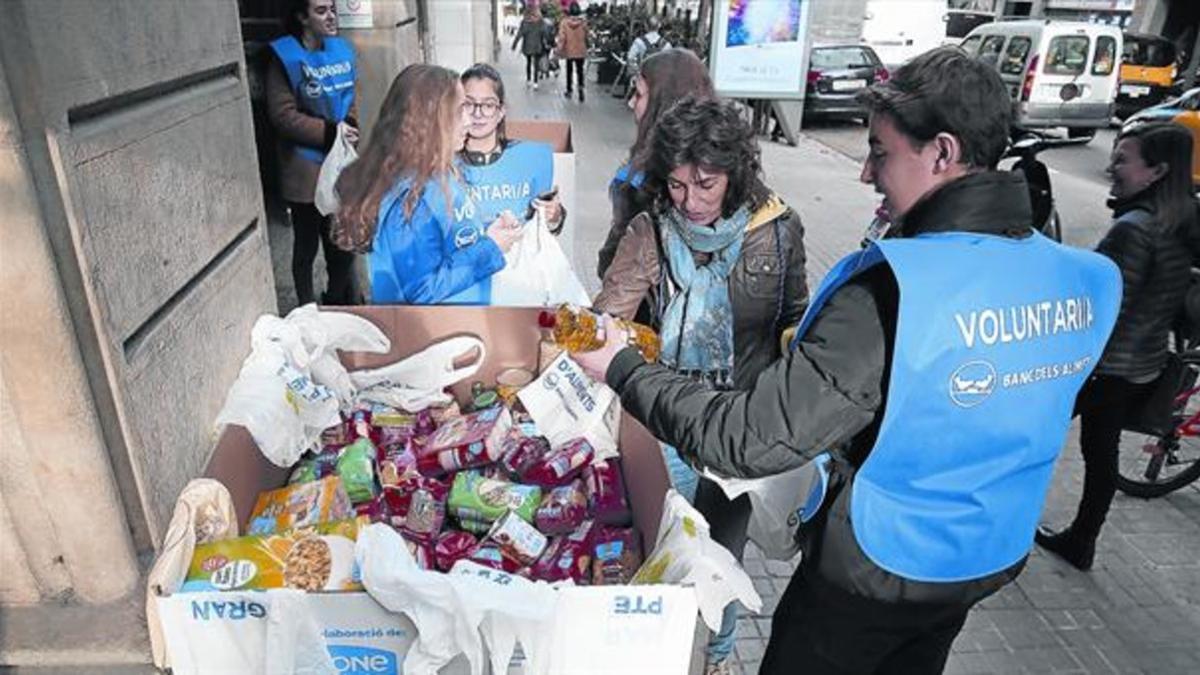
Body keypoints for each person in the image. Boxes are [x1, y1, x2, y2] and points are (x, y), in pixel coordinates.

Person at [574, 47, 1123, 674]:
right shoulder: (1090, 278)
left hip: (879, 570)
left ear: (941, 153)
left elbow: (747, 440)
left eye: (881, 152)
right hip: (987, 553)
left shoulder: (893, 289)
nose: (865, 173)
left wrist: (621, 366)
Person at [592, 96, 808, 675]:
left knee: (721, 559)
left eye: (705, 185)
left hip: (738, 430)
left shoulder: (778, 231)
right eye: (678, 185)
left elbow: (794, 321)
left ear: (735, 174)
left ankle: (712, 658)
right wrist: (608, 322)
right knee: (664, 550)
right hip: (661, 421)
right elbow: (607, 319)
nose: (689, 201)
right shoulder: (650, 229)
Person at [1036, 122, 1198, 570]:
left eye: (1123, 159)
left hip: (1107, 364)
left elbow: (1105, 306)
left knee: (1034, 430)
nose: (1111, 166)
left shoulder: (1134, 228)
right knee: (1098, 453)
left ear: (1158, 171)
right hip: (1142, 362)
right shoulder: (1182, 219)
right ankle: (1082, 540)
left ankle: (1052, 532)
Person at [332, 65, 522, 304]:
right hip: (435, 332)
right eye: (461, 110)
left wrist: (489, 229)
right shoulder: (410, 198)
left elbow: (445, 232)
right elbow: (422, 289)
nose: (469, 121)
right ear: (429, 122)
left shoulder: (437, 170)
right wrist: (490, 248)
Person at [267, 0, 361, 306]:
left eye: (332, 8)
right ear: (302, 17)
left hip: (340, 166)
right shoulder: (284, 58)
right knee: (306, 246)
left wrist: (350, 125)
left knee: (341, 247)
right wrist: (331, 131)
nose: (331, 16)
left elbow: (350, 98)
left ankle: (335, 299)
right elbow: (282, 116)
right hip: (303, 170)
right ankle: (306, 307)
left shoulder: (341, 51)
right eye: (321, 10)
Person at [597, 49, 715, 280]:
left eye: (639, 95)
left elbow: (613, 265)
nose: (631, 103)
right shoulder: (726, 168)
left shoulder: (643, 182)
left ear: (665, 101)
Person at [458, 63, 564, 232]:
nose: (478, 114)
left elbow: (547, 223)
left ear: (501, 111)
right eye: (469, 104)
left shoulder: (528, 160)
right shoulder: (442, 165)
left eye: (488, 105)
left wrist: (555, 216)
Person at [557, 3, 589, 102]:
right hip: (580, 50)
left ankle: (569, 90)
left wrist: (559, 49)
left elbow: (562, 38)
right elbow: (587, 35)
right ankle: (581, 90)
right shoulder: (583, 22)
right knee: (580, 71)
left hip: (569, 51)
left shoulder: (564, 23)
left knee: (569, 71)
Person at [512, 5, 547, 90]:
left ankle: (528, 80)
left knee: (528, 63)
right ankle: (535, 82)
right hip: (537, 46)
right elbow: (544, 33)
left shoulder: (525, 22)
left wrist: (514, 44)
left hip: (527, 46)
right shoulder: (540, 22)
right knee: (536, 64)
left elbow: (519, 34)